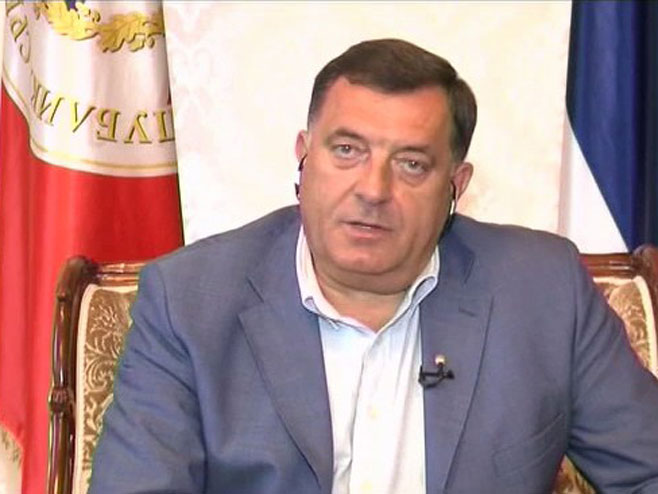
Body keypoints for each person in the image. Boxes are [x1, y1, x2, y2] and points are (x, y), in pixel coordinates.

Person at [89, 39, 658, 494]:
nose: (373, 189)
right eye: (347, 151)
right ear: (304, 157)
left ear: (455, 187)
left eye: (411, 164)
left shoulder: (543, 292)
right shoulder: (188, 301)